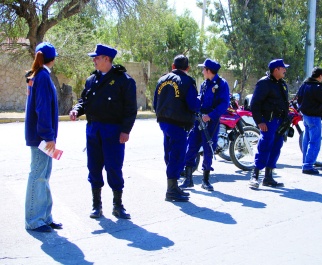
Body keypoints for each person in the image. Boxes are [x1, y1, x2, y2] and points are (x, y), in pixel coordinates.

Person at [69, 44, 137, 219]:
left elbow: (130, 109)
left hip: (113, 130)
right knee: (94, 166)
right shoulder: (92, 80)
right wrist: (77, 109)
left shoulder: (124, 80)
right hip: (93, 129)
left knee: (114, 167)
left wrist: (125, 130)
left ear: (107, 59)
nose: (94, 60)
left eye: (97, 58)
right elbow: (84, 100)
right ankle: (96, 205)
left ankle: (117, 205)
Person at [25, 42, 63, 232]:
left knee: (44, 176)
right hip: (41, 138)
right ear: (53, 59)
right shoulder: (43, 78)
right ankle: (34, 220)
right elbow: (42, 110)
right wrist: (48, 137)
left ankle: (45, 217)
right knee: (38, 176)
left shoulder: (39, 75)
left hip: (42, 137)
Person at [153, 55, 200, 202]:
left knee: (169, 152)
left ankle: (173, 186)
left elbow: (155, 102)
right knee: (177, 155)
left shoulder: (162, 79)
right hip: (179, 123)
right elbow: (193, 105)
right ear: (187, 68)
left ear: (173, 66)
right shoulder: (187, 81)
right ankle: (172, 189)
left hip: (164, 123)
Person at [180, 58, 230, 191]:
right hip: (199, 120)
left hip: (211, 122)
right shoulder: (204, 84)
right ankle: (188, 179)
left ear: (209, 71)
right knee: (191, 147)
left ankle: (205, 180)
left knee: (208, 149)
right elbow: (200, 99)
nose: (202, 71)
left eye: (204, 69)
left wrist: (210, 116)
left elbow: (224, 104)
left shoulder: (222, 84)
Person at [248, 59, 289, 189]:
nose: (285, 70)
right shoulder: (264, 83)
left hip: (279, 121)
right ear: (276, 69)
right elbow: (255, 103)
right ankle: (254, 176)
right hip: (268, 121)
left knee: (276, 147)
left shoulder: (282, 84)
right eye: (283, 68)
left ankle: (268, 177)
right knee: (264, 146)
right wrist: (259, 121)